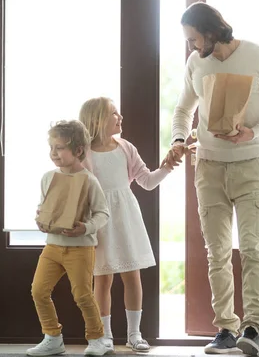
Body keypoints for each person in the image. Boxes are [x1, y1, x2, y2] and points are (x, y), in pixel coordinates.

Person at [165, 2, 259, 356]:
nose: (191, 46)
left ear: (211, 31)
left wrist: (253, 131)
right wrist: (178, 139)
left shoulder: (257, 55)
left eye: (193, 38)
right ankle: (225, 329)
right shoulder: (195, 63)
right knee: (216, 251)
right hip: (208, 168)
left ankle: (253, 327)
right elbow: (182, 110)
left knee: (251, 247)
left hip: (251, 164)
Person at [79, 97, 173, 352]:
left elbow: (147, 181)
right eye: (114, 114)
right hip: (100, 220)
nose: (120, 118)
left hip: (126, 218)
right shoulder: (84, 153)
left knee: (133, 275)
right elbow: (81, 190)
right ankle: (105, 335)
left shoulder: (125, 148)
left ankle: (135, 333)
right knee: (103, 278)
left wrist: (167, 166)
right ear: (98, 120)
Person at [28, 120, 113, 357]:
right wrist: (40, 217)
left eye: (60, 148)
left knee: (83, 294)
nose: (53, 153)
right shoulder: (48, 178)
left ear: (78, 150)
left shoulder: (89, 180)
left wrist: (85, 228)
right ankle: (52, 337)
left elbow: (103, 213)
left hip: (80, 248)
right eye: (51, 148)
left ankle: (97, 338)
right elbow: (46, 206)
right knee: (38, 290)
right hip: (53, 246)